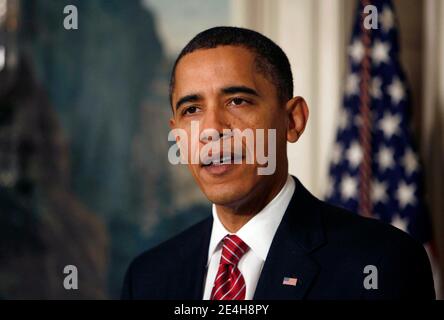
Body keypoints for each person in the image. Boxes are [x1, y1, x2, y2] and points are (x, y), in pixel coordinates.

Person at [121, 26, 435, 300]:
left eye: (238, 101)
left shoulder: (383, 262)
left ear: (292, 120)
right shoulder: (147, 278)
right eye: (191, 110)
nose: (212, 129)